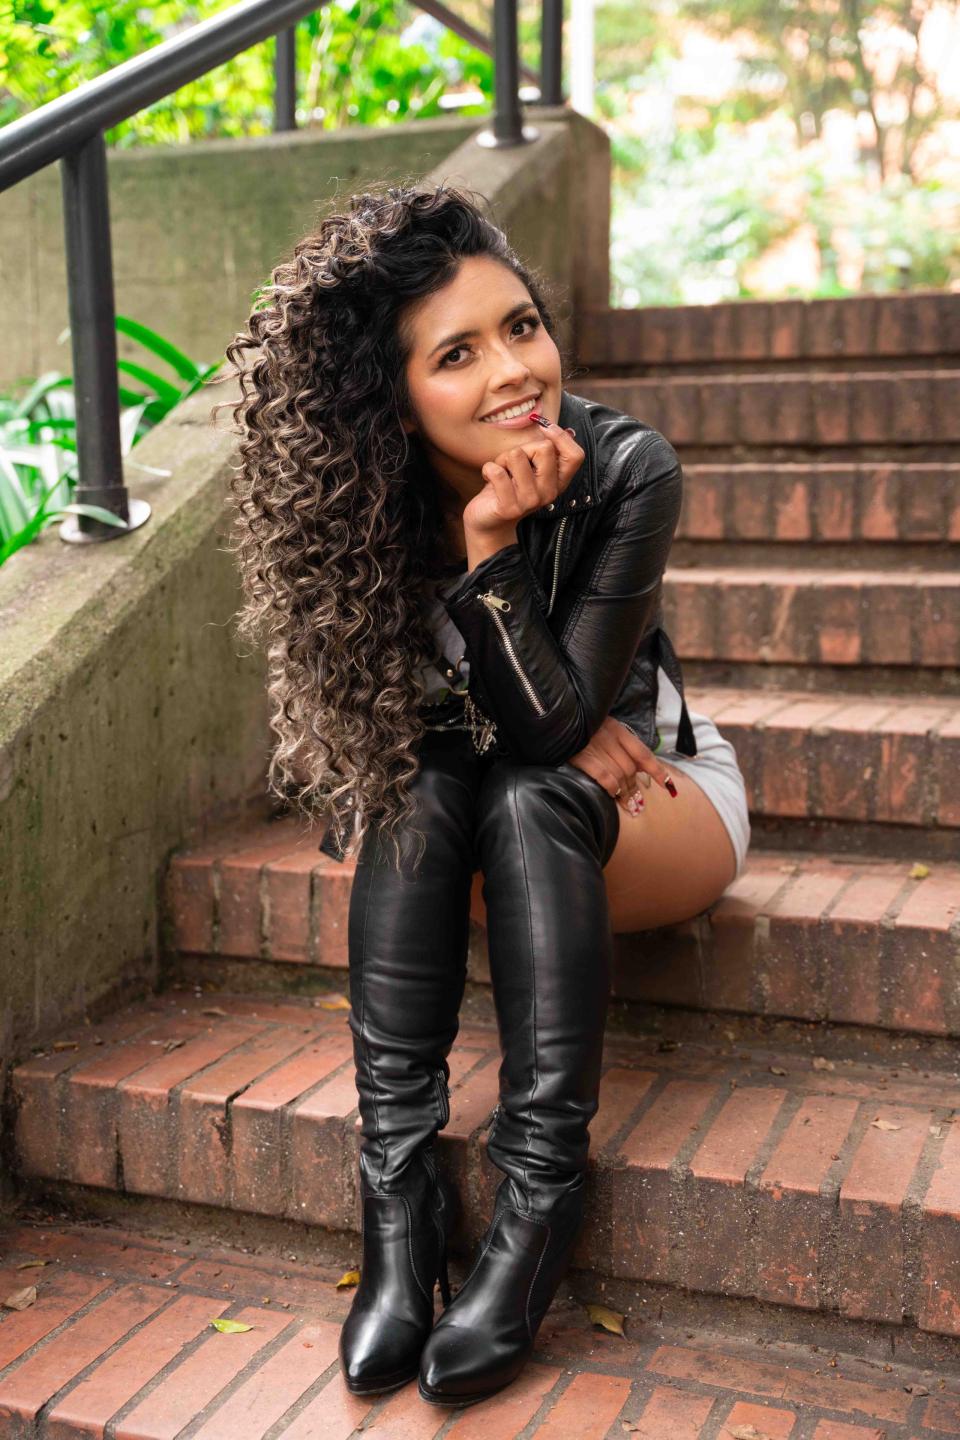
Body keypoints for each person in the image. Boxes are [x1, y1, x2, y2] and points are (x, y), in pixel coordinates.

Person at [212, 180, 750, 1410]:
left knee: (526, 795)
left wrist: (495, 548)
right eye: (457, 354)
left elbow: (559, 734)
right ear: (391, 399)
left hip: (663, 800)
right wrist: (523, 708)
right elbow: (411, 763)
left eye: (522, 326)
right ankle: (398, 1213)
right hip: (475, 828)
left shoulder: (626, 470)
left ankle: (538, 1204)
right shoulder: (362, 515)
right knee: (430, 789)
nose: (515, 371)